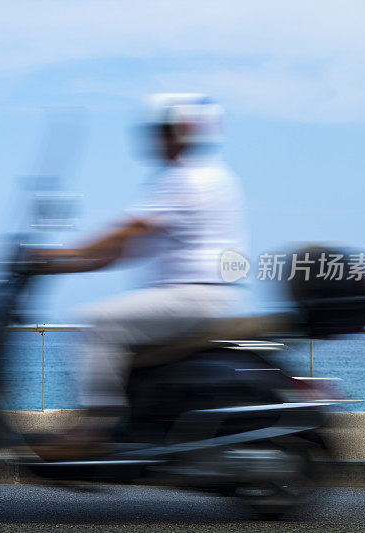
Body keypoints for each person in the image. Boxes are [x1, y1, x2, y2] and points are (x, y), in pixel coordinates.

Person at [30, 93, 250, 451]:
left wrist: (51, 258)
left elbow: (125, 234)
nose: (158, 140)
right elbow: (122, 250)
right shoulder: (213, 175)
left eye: (165, 131)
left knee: (99, 323)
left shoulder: (185, 178)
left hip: (194, 297)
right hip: (208, 296)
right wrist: (65, 263)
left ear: (184, 132)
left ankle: (94, 429)